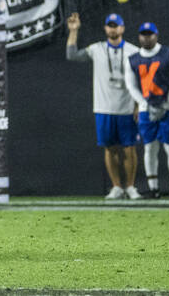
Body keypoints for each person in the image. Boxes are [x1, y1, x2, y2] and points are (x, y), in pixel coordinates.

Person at [65, 13, 142, 200]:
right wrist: (73, 31)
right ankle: (116, 186)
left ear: (122, 28)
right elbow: (72, 55)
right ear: (105, 28)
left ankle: (130, 187)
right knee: (110, 148)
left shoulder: (133, 51)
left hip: (126, 107)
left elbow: (142, 79)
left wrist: (139, 104)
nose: (113, 29)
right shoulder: (96, 49)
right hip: (103, 107)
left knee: (129, 148)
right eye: (110, 26)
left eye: (116, 26)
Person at [124, 22, 169, 198]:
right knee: (150, 147)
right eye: (143, 34)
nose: (146, 37)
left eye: (150, 34)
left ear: (156, 35)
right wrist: (145, 103)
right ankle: (153, 188)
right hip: (146, 107)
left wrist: (166, 103)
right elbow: (131, 85)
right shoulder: (133, 59)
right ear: (139, 36)